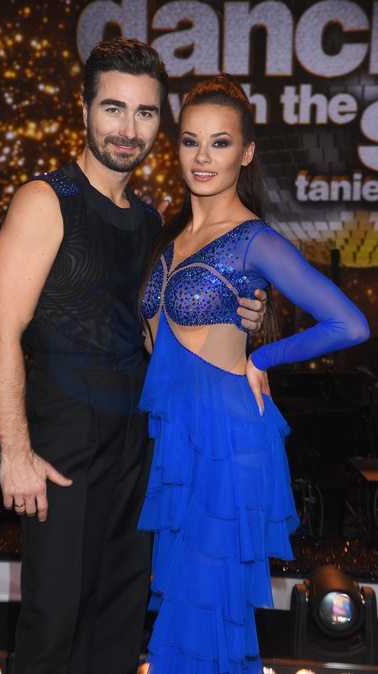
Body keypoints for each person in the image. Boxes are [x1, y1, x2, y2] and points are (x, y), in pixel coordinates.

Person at [0, 39, 266, 674]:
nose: (127, 129)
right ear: (84, 109)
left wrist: (240, 322)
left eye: (144, 112)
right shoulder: (46, 200)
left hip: (139, 439)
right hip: (62, 436)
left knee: (118, 617)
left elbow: (165, 336)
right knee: (54, 620)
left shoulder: (149, 221)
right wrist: (15, 452)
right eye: (113, 108)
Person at [138, 74, 370, 674]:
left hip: (230, 445)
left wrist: (261, 358)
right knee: (181, 615)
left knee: (203, 618)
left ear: (246, 153)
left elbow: (349, 324)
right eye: (191, 141)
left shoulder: (255, 242)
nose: (203, 157)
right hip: (176, 451)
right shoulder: (170, 235)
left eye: (220, 143)